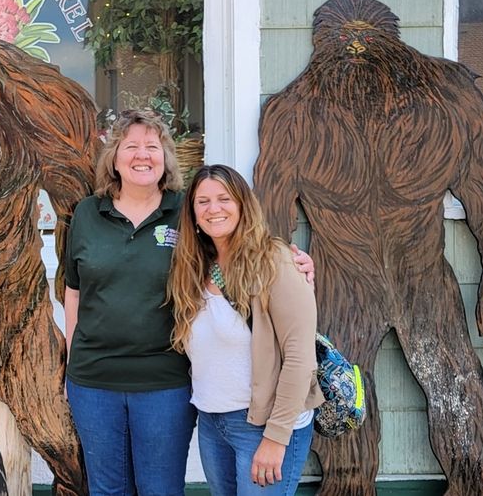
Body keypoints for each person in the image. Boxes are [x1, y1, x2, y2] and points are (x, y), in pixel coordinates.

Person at [63, 111, 313, 495]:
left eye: (153, 146)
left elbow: (245, 252)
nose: (142, 155)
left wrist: (296, 265)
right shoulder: (86, 214)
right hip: (95, 380)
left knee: (160, 489)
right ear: (114, 157)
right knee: (107, 489)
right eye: (131, 146)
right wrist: (70, 359)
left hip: (166, 380)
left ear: (166, 157)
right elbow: (74, 290)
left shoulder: (186, 210)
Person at [168, 164, 323, 496]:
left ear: (242, 204)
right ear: (193, 214)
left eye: (224, 198)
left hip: (264, 423)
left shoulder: (275, 261)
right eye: (203, 201)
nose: (214, 209)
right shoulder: (195, 268)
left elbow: (299, 357)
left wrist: (276, 436)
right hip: (212, 422)